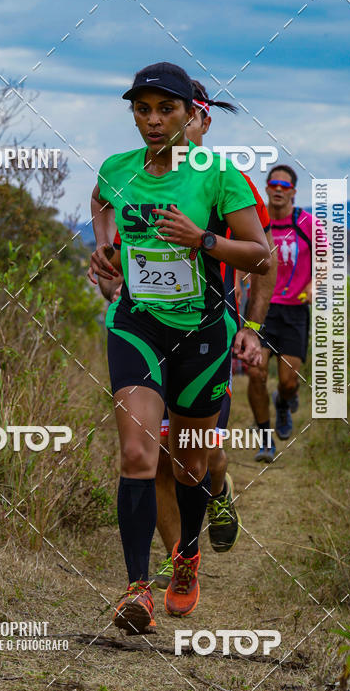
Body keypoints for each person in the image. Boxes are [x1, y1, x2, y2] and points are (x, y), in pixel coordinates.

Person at [89, 61, 271, 634]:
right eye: (142, 109)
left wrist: (204, 240)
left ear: (192, 115)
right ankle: (137, 589)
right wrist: (105, 254)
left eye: (166, 109)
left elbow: (261, 254)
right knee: (140, 456)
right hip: (137, 324)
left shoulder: (218, 176)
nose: (153, 120)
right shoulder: (119, 170)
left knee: (191, 468)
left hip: (202, 334)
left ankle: (186, 558)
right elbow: (100, 201)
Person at [246, 164, 326, 451]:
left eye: (285, 186)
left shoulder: (306, 224)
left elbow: (325, 259)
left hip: (294, 311)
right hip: (261, 308)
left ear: (293, 191)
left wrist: (313, 286)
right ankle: (265, 438)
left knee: (289, 382)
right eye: (273, 184)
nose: (278, 189)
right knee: (255, 372)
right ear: (266, 188)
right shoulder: (255, 221)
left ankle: (283, 402)